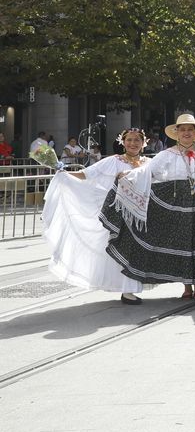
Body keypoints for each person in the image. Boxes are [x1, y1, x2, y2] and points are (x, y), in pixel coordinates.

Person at [102, 113, 195, 300]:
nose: (186, 133)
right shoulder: (167, 154)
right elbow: (146, 171)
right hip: (175, 203)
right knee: (183, 243)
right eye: (182, 130)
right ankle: (186, 287)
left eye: (190, 130)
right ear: (177, 133)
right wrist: (128, 176)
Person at [42, 128, 148, 304]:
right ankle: (127, 289)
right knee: (120, 249)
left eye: (137, 140)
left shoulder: (148, 163)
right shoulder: (113, 161)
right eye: (129, 140)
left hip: (139, 216)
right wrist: (65, 174)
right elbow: (87, 174)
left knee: (135, 252)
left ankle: (130, 288)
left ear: (143, 143)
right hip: (117, 215)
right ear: (123, 142)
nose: (133, 143)